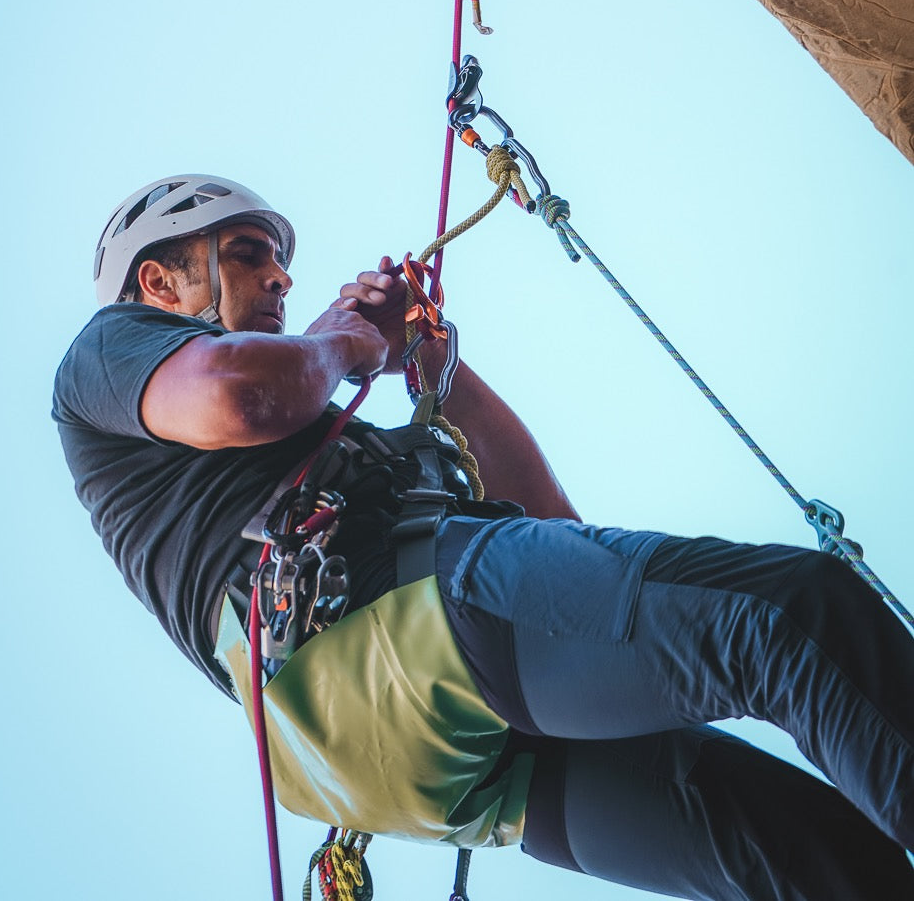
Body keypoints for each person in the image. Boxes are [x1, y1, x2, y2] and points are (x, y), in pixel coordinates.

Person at [54, 174, 914, 901]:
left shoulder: (320, 437)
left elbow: (557, 538)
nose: (279, 278)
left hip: (412, 764)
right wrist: (348, 338)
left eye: (279, 260)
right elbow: (241, 396)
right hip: (403, 633)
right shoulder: (113, 349)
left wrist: (435, 368)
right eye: (246, 253)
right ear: (160, 283)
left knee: (812, 858)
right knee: (788, 617)